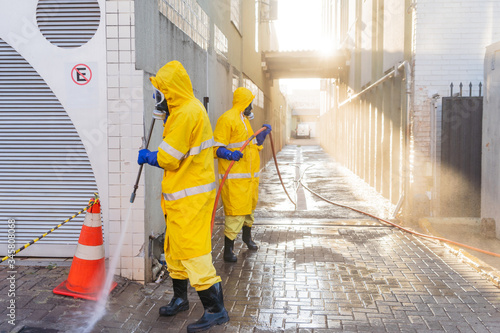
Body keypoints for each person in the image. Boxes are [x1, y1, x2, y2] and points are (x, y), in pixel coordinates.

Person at [137, 61, 229, 332]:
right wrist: (167, 117)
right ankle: (180, 299)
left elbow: (168, 157)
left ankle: (216, 310)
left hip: (190, 199)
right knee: (175, 250)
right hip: (181, 198)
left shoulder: (186, 113)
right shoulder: (184, 110)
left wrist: (149, 156)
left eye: (160, 93)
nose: (157, 98)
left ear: (171, 91)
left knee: (193, 252)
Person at [213, 87, 272, 262]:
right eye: (250, 104)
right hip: (235, 180)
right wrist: (228, 154)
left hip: (249, 180)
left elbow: (249, 145)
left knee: (249, 212)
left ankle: (247, 238)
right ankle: (228, 250)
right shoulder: (227, 119)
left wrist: (261, 137)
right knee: (234, 214)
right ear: (243, 103)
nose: (252, 108)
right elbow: (216, 148)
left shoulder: (244, 120)